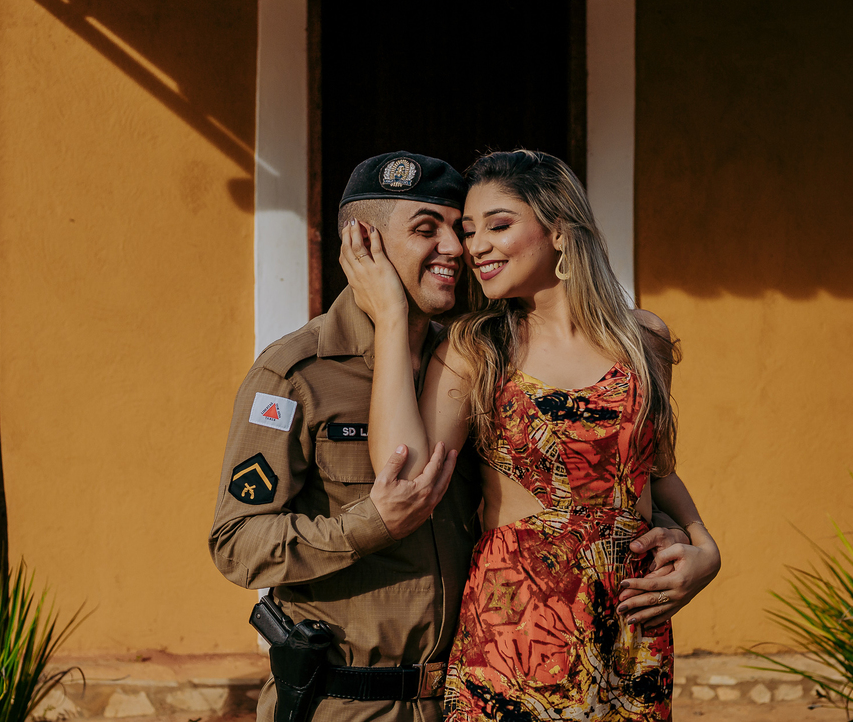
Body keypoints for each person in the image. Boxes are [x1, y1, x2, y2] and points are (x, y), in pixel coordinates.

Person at [211, 151, 711, 722]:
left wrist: (694, 541)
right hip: (353, 696)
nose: (460, 248)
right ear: (363, 243)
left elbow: (625, 468)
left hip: (479, 675)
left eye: (465, 229)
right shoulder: (299, 373)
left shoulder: (469, 348)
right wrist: (367, 524)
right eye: (432, 230)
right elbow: (236, 541)